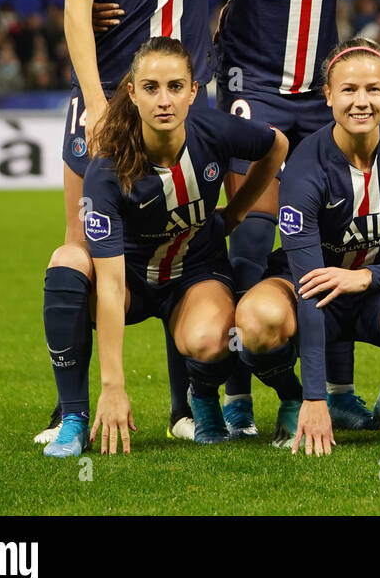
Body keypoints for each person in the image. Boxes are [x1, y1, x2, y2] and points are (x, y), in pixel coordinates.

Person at [44, 0, 231, 444]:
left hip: (187, 102)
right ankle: (72, 409)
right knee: (81, 253)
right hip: (110, 101)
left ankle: (187, 407)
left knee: (190, 244)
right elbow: (76, 10)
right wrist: (97, 104)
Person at [210, 0, 380, 436]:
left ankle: (336, 390)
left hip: (320, 96)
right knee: (252, 242)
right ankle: (238, 395)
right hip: (252, 88)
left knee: (336, 244)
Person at [40, 36, 288, 457]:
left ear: (193, 91)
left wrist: (235, 213)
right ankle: (74, 417)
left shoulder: (214, 131)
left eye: (175, 87)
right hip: (131, 282)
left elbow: (276, 145)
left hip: (194, 274)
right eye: (151, 88)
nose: (164, 100)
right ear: (132, 93)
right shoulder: (108, 170)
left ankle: (199, 398)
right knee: (66, 260)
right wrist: (113, 386)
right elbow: (111, 287)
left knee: (213, 341)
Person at [238, 37, 380, 451]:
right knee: (255, 320)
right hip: (312, 291)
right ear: (328, 95)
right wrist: (314, 397)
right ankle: (292, 399)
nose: (361, 102)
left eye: (372, 89)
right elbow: (309, 286)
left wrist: (367, 277)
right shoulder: (306, 167)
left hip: (379, 292)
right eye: (348, 90)